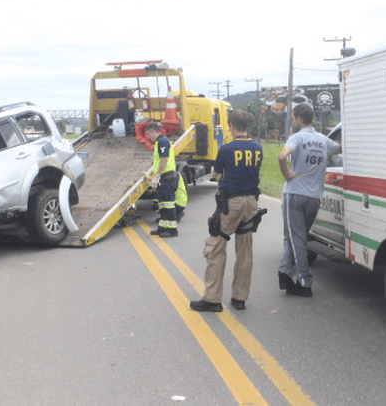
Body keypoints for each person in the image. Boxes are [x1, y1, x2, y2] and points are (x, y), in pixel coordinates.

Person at [190, 111, 264, 312]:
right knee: (245, 249)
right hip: (251, 202)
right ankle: (240, 298)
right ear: (247, 126)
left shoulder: (226, 149)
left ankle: (212, 299)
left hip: (231, 202)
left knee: (217, 244)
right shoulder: (258, 148)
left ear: (231, 126)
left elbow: (217, 175)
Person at [277, 103, 340, 297]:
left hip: (295, 194)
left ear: (299, 119)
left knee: (296, 239)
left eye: (294, 118)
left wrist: (287, 174)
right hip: (314, 197)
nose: (294, 121)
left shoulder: (297, 137)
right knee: (296, 236)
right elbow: (339, 148)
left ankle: (304, 281)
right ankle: (285, 273)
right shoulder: (322, 139)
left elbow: (282, 156)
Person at [145, 122, 178, 237]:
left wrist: (158, 175)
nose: (148, 136)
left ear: (154, 132)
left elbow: (164, 159)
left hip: (167, 176)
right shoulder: (160, 142)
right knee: (163, 204)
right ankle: (162, 228)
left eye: (149, 134)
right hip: (164, 177)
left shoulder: (163, 142)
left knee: (168, 204)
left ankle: (172, 230)